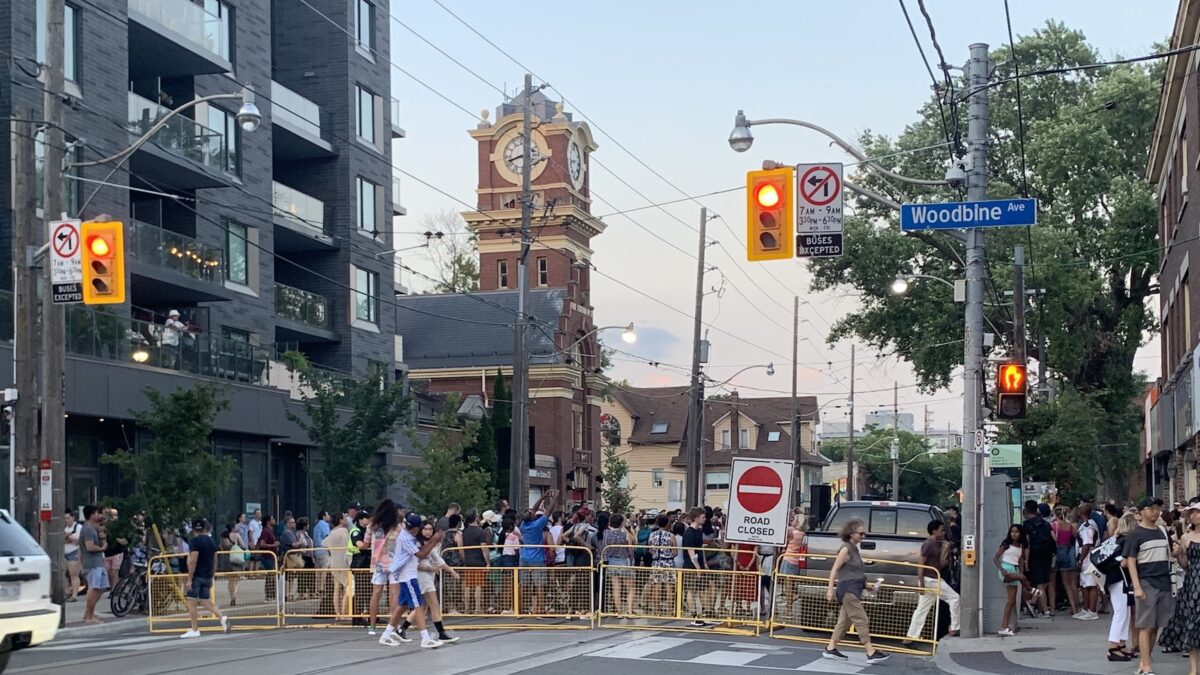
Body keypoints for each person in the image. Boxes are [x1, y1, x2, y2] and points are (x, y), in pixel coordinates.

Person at [1126, 496, 1181, 675]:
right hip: (1147, 580)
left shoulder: (1162, 531)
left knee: (1156, 625)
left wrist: (1177, 552)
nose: (1155, 512)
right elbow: (1131, 561)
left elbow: (1170, 552)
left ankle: (1145, 660)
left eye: (1157, 508)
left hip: (1164, 580)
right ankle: (1146, 664)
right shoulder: (1136, 534)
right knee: (1145, 625)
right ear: (1141, 512)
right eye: (1150, 508)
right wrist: (1137, 586)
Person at [823, 518, 888, 664]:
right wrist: (830, 589)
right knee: (861, 619)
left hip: (853, 589)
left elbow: (856, 572)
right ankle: (870, 651)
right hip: (848, 590)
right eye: (861, 533)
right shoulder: (846, 549)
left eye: (864, 534)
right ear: (851, 533)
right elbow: (834, 569)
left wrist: (868, 586)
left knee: (844, 621)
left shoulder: (854, 549)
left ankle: (831, 648)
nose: (863, 536)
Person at [379, 513, 445, 649]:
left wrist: (432, 541)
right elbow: (421, 554)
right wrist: (434, 541)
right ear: (415, 528)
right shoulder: (405, 538)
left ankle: (386, 635)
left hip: (407, 575)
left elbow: (420, 551)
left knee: (402, 606)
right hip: (408, 577)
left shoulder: (407, 536)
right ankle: (425, 638)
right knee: (418, 606)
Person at [395, 520, 460, 644]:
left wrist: (451, 571)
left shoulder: (429, 544)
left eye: (430, 529)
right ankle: (441, 633)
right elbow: (415, 562)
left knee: (422, 607)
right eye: (425, 529)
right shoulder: (416, 543)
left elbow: (438, 559)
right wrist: (431, 568)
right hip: (422, 577)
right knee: (434, 605)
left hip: (428, 576)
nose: (428, 531)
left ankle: (402, 628)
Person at [903, 520, 961, 645]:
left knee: (922, 609)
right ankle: (955, 627)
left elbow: (939, 564)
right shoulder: (928, 544)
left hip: (932, 579)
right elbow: (921, 564)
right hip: (931, 580)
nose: (943, 532)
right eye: (941, 530)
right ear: (934, 531)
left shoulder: (936, 544)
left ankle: (910, 637)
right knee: (955, 598)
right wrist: (921, 583)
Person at [181, 518, 229, 638]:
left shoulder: (194, 541)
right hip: (207, 575)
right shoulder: (211, 541)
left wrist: (189, 578)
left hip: (196, 576)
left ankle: (195, 629)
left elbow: (193, 560)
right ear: (204, 528)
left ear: (193, 529)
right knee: (205, 601)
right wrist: (212, 575)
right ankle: (222, 617)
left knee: (191, 602)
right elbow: (215, 560)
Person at [519, 490, 559, 615]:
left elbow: (533, 509)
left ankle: (521, 609)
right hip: (537, 559)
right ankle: (541, 609)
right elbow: (548, 512)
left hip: (524, 558)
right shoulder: (537, 525)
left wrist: (542, 497)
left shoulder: (522, 525)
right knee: (540, 585)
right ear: (532, 517)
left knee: (523, 585)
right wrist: (554, 498)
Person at [1105, 512, 1138, 662]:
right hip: (1121, 579)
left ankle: (1120, 644)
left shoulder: (1116, 539)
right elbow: (1125, 562)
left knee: (1124, 612)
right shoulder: (1127, 541)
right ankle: (1113, 646)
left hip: (1114, 579)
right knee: (1121, 612)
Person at [365, 499, 400, 636]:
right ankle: (393, 626)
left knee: (376, 594)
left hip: (378, 562)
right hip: (394, 563)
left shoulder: (372, 526)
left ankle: (372, 625)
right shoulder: (397, 526)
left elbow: (366, 543)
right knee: (394, 594)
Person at [994, 524, 1033, 636]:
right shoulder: (1006, 544)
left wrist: (1021, 572)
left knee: (1011, 601)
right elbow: (995, 558)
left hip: (1015, 569)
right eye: (1012, 531)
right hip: (1006, 569)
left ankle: (1004, 627)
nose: (1014, 534)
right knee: (1023, 578)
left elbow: (1021, 561)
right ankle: (1031, 590)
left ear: (1020, 533)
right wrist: (1001, 569)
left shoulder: (1022, 546)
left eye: (1016, 532)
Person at [1021, 500, 1054, 617]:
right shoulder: (1045, 523)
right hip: (1047, 555)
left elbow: (1027, 544)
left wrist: (1025, 560)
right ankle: (1033, 603)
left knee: (1039, 583)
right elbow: (1053, 538)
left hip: (1034, 556)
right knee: (1044, 582)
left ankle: (1045, 610)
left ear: (1026, 509)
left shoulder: (1026, 525)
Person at [602, 513, 636, 619]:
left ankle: (619, 611)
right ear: (621, 522)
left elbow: (604, 547)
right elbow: (631, 544)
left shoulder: (607, 534)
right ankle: (629, 610)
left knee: (616, 588)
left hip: (612, 562)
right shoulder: (624, 534)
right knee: (630, 588)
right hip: (624, 561)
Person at [681, 507, 708, 627]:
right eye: (702, 517)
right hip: (691, 565)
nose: (705, 519)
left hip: (700, 563)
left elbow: (700, 548)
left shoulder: (699, 531)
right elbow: (691, 552)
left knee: (702, 589)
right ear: (696, 518)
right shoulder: (689, 533)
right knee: (691, 590)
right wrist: (697, 568)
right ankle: (694, 614)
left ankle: (703, 612)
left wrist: (704, 564)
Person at [80, 505, 108, 624]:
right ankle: (89, 616)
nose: (99, 515)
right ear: (91, 515)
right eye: (96, 513)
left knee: (102, 587)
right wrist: (102, 548)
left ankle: (89, 612)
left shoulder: (94, 528)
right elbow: (89, 547)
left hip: (98, 562)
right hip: (92, 563)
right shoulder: (87, 529)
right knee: (94, 587)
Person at [1052, 505, 1080, 617]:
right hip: (1069, 552)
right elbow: (1074, 537)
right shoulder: (1070, 526)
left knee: (1059, 583)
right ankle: (1076, 607)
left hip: (1059, 552)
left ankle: (1058, 608)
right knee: (1072, 583)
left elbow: (1054, 539)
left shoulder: (1055, 525)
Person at [322, 513, 351, 621]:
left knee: (337, 588)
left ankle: (338, 614)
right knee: (348, 587)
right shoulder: (344, 531)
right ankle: (345, 613)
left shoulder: (332, 532)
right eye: (344, 517)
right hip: (343, 563)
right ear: (340, 520)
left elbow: (323, 543)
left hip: (333, 562)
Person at [460, 510, 490, 614]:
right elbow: (484, 549)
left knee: (468, 586)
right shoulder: (480, 532)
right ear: (475, 518)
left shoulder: (464, 532)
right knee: (478, 586)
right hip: (479, 562)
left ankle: (467, 608)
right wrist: (488, 562)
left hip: (468, 562)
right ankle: (477, 608)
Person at [1076, 504, 1102, 620]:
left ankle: (1092, 610)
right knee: (1084, 584)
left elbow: (1087, 544)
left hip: (1088, 557)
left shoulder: (1087, 526)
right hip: (1088, 556)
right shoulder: (1088, 524)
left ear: (1081, 512)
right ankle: (1085, 609)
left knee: (1091, 584)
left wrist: (1081, 559)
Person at [103, 507, 126, 589]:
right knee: (108, 571)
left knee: (114, 571)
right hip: (107, 552)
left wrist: (115, 538)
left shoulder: (116, 527)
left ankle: (114, 589)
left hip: (117, 551)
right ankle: (111, 587)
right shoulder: (103, 526)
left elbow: (123, 539)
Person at [256, 514, 279, 600]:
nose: (274, 520)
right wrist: (273, 545)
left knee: (272, 575)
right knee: (270, 575)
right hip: (268, 556)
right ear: (268, 521)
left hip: (272, 556)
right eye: (272, 518)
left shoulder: (271, 530)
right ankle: (269, 595)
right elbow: (262, 543)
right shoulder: (265, 531)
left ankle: (272, 595)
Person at [64, 510, 82, 602]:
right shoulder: (64, 527)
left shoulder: (78, 527)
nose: (66, 520)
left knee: (73, 574)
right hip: (65, 552)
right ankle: (67, 591)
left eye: (68, 518)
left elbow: (78, 540)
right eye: (65, 519)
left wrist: (68, 537)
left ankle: (74, 595)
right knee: (64, 574)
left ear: (73, 517)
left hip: (74, 552)